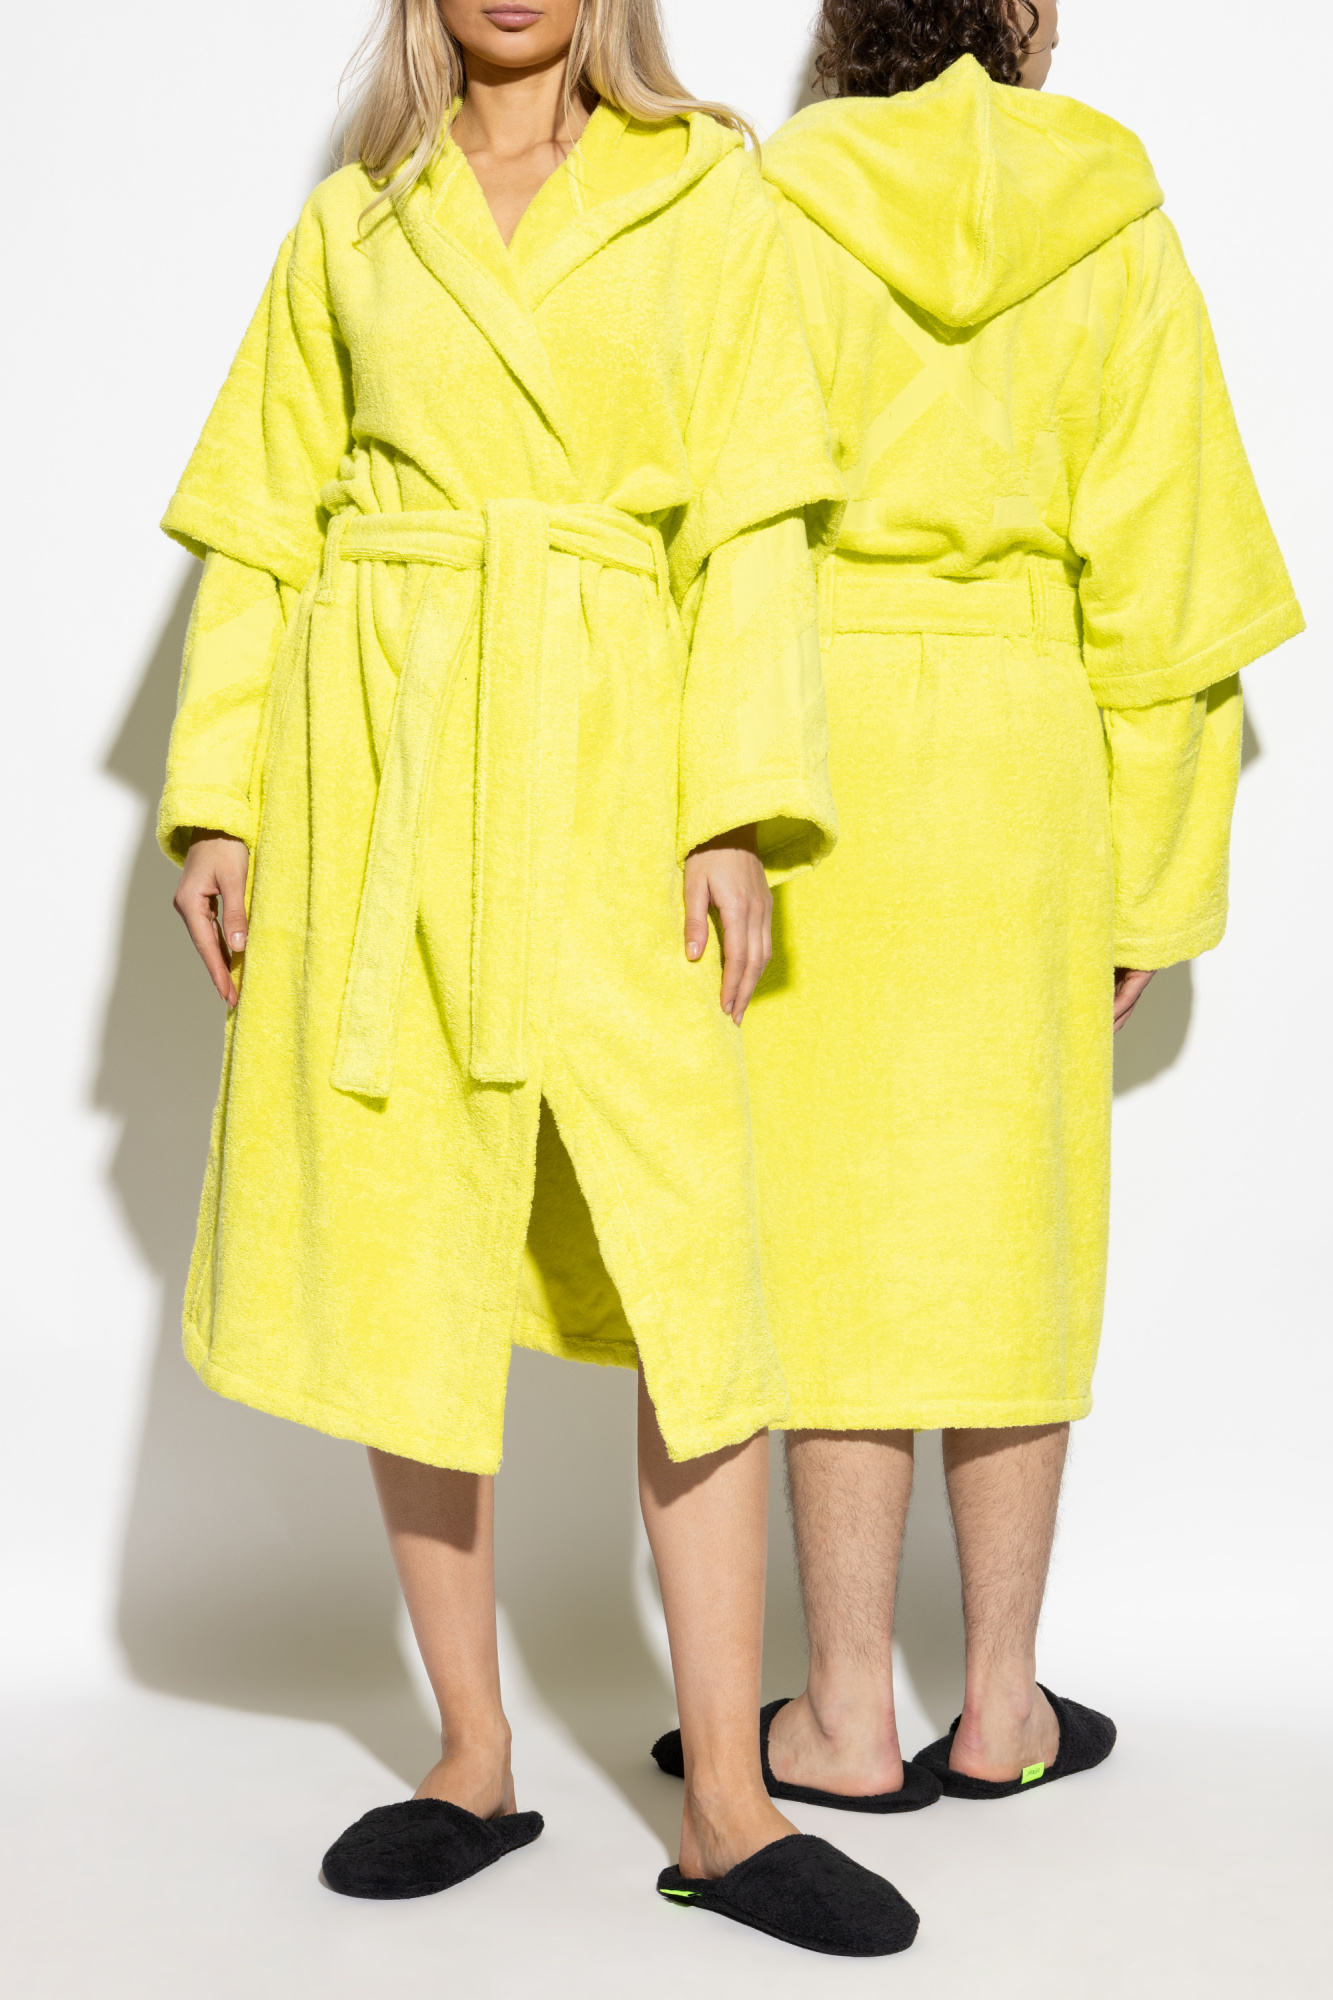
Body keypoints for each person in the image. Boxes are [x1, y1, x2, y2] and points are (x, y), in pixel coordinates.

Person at [159, 0, 918, 1955]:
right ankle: (471, 1755)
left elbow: (753, 517)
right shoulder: (357, 216)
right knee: (412, 1246)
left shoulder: (704, 190)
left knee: (690, 1277)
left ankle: (730, 1801)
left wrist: (733, 806)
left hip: (614, 761)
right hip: (383, 774)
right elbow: (258, 531)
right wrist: (221, 798)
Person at [654, 0, 1303, 1809]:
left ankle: (842, 1716)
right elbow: (1173, 594)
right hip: (1028, 766)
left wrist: (712, 808)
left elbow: (720, 533)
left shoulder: (776, 209)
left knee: (834, 1241)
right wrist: (1150, 880)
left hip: (821, 759)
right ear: (1021, 23)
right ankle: (1003, 1708)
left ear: (843, 27)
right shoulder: (1115, 223)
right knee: (1015, 1237)